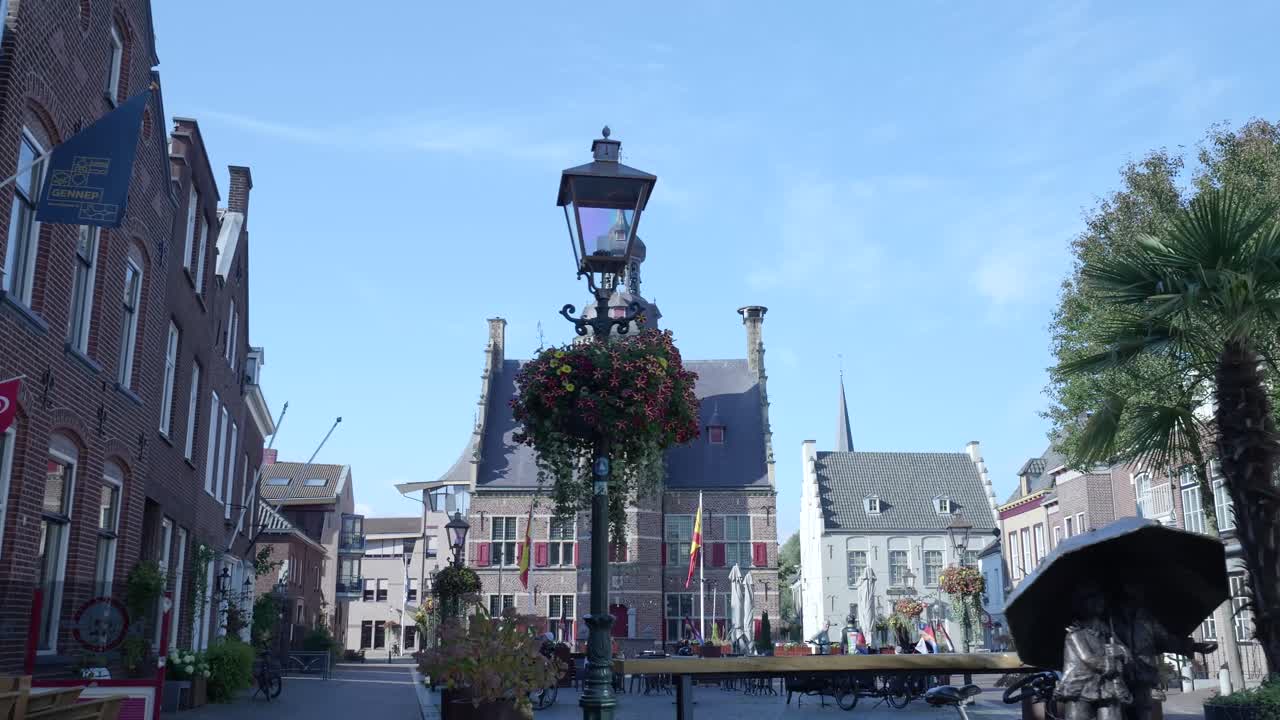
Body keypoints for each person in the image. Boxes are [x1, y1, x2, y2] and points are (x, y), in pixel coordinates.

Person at [1109, 582, 1217, 720]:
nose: (1136, 596)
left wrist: (1194, 646)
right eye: (1130, 592)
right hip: (1119, 679)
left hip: (1143, 677)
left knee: (1143, 714)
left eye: (1137, 592)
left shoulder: (1145, 618)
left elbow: (1167, 640)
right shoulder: (1110, 619)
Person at [1058, 582, 1130, 720]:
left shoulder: (1107, 632)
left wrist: (1120, 650)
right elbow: (1090, 660)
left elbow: (1125, 652)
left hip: (1105, 687)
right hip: (1079, 688)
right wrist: (1113, 662)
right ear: (1081, 604)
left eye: (1100, 599)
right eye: (1092, 599)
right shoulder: (1075, 634)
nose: (1099, 602)